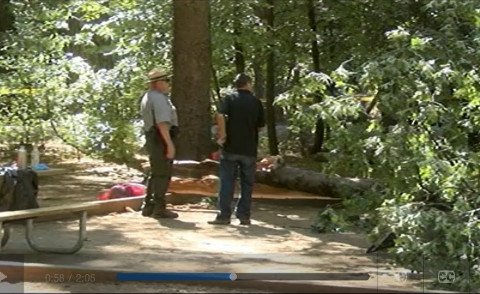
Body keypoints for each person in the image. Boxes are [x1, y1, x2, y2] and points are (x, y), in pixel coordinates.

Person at [208, 73, 265, 225]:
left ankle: (224, 215)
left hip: (231, 148)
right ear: (248, 84)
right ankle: (244, 216)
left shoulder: (229, 99)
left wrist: (223, 134)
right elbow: (260, 126)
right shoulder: (256, 102)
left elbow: (220, 114)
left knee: (227, 182)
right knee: (247, 184)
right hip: (249, 149)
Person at [139, 68, 179, 219]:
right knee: (162, 174)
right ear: (158, 83)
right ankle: (159, 208)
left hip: (154, 138)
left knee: (156, 173)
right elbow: (162, 123)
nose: (169, 84)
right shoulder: (158, 99)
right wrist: (169, 144)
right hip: (160, 138)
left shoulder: (149, 97)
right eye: (166, 81)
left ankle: (148, 206)